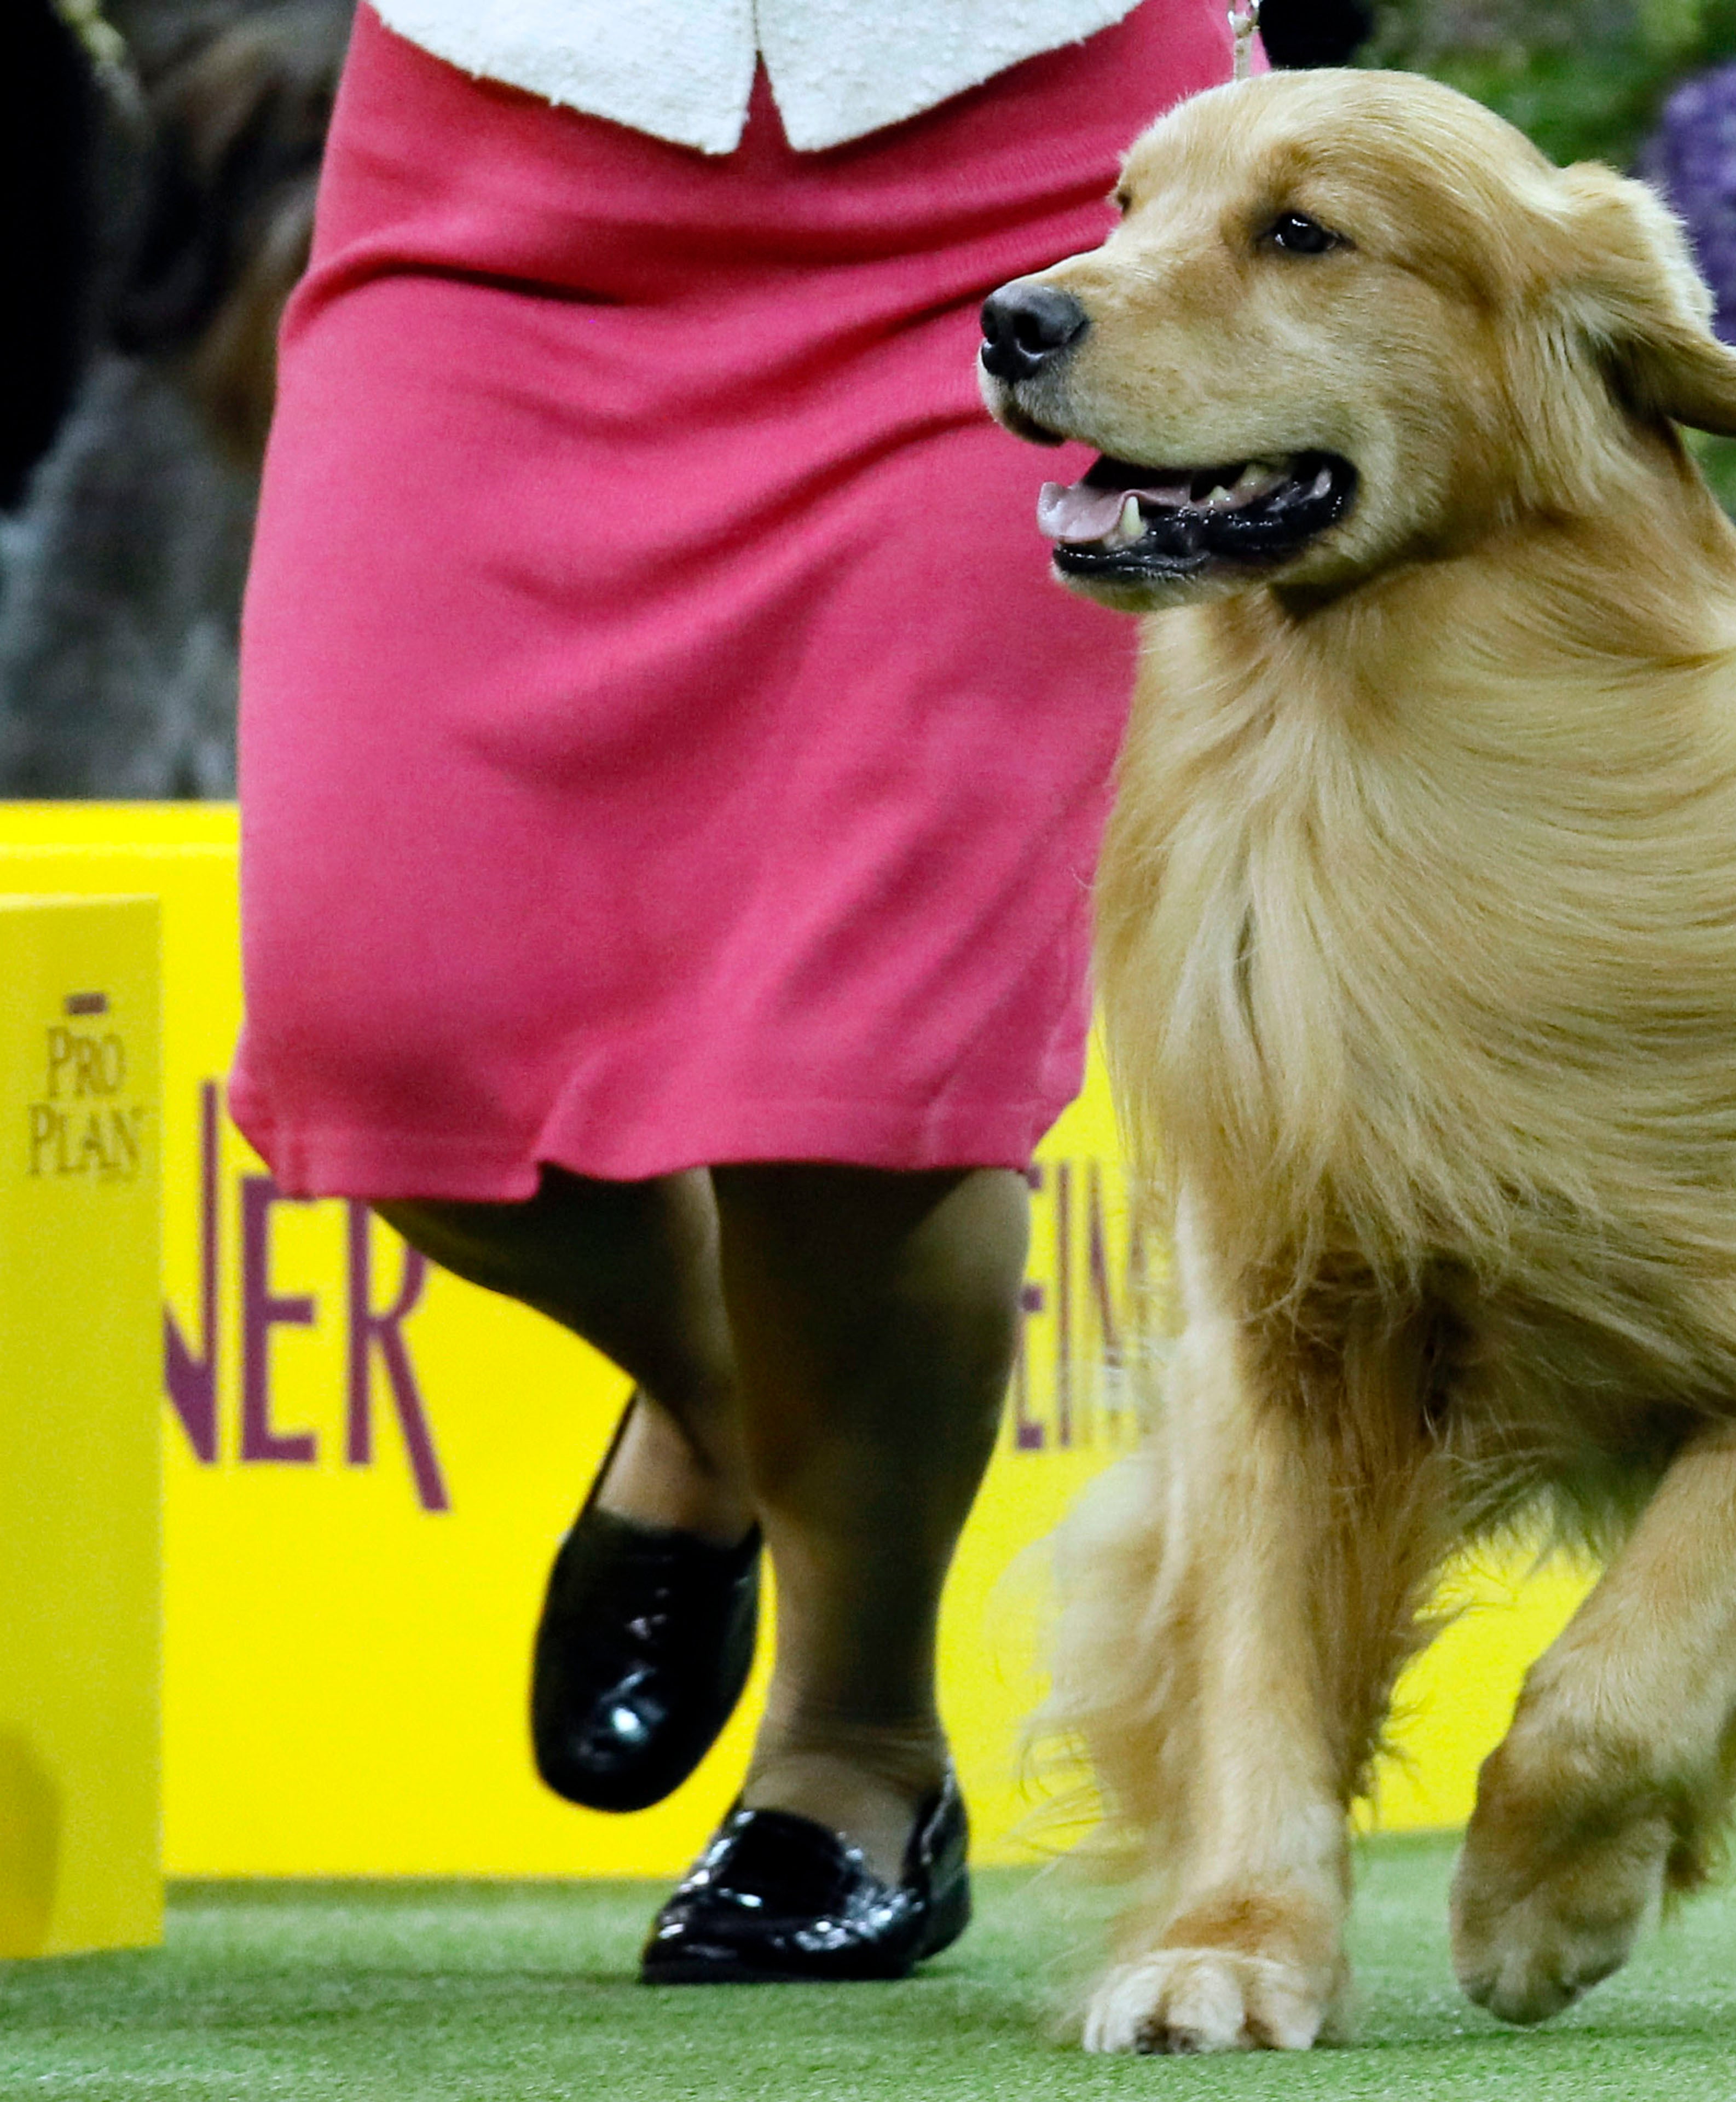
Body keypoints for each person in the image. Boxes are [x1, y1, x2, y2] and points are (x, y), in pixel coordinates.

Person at [230, 0, 1234, 1981]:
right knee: (385, 1028)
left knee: (866, 1083)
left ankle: (856, 1749)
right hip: (500, 163)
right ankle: (723, 1417)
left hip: (1033, 191)